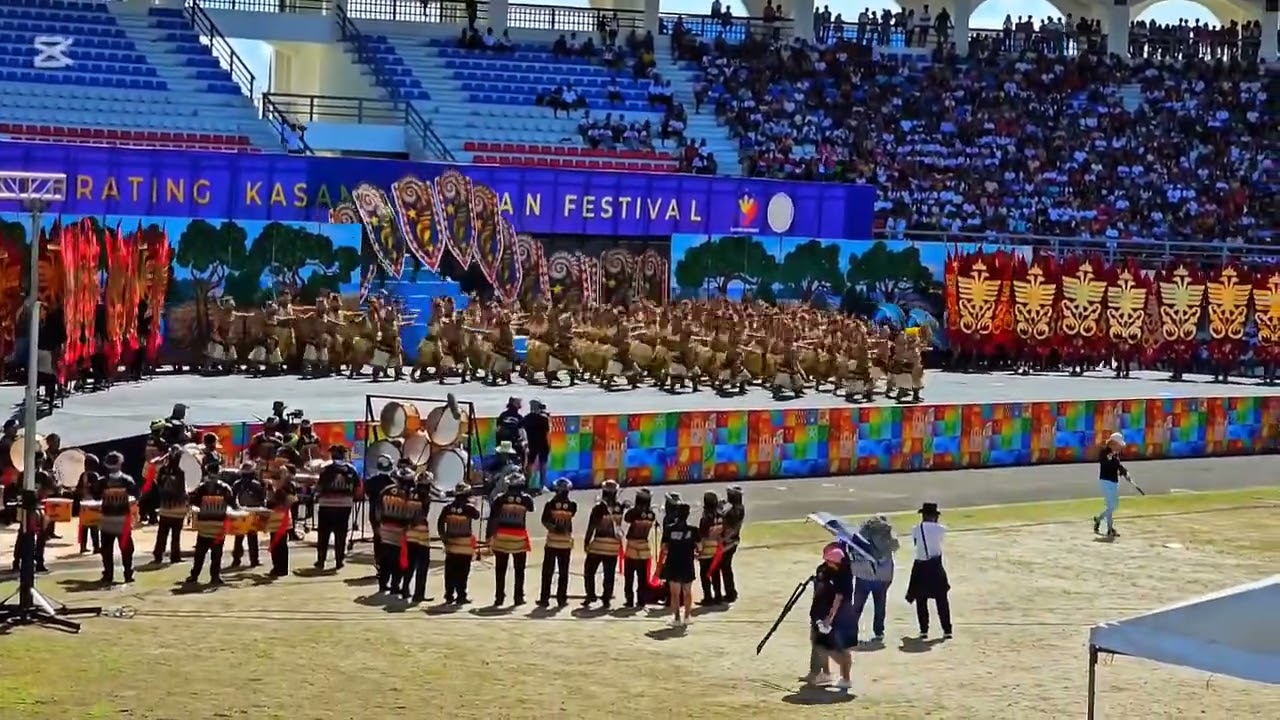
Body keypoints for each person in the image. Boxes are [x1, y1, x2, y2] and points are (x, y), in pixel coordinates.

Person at [808, 545, 855, 690]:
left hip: (840, 616)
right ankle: (826, 674)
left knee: (836, 649)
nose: (826, 564)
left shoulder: (843, 576)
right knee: (822, 644)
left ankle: (845, 678)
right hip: (829, 615)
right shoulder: (831, 572)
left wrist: (829, 618)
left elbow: (838, 599)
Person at [905, 502, 952, 639]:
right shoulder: (940, 529)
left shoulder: (915, 529)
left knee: (921, 599)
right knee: (942, 599)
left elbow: (916, 543)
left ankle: (924, 629)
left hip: (920, 566)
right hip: (935, 566)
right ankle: (947, 629)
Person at [850, 515, 898, 644]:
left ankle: (851, 631)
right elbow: (895, 547)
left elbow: (853, 552)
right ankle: (878, 632)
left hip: (864, 574)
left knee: (857, 605)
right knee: (880, 605)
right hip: (882, 576)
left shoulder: (860, 536)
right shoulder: (889, 537)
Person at [490, 472, 535, 606]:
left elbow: (493, 518)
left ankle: (499, 597)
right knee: (519, 570)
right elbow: (531, 508)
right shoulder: (526, 499)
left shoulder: (499, 498)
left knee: (500, 570)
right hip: (518, 537)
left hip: (502, 536)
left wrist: (490, 536)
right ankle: (518, 597)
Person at [186, 468, 237, 585]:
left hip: (215, 527)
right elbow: (193, 502)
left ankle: (213, 576)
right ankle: (196, 575)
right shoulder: (202, 488)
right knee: (201, 554)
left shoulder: (223, 488)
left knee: (214, 554)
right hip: (207, 526)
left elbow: (232, 504)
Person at [314, 444, 360, 570]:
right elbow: (357, 487)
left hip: (326, 505)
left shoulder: (326, 468)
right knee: (341, 534)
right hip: (344, 506)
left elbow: (319, 486)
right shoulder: (351, 469)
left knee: (323, 534)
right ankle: (339, 561)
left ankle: (321, 561)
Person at [95, 452, 138, 585]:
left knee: (107, 549)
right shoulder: (127, 480)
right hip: (121, 520)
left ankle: (109, 574)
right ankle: (127, 573)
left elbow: (96, 497)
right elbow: (136, 496)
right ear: (120, 463)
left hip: (108, 519)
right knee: (126, 548)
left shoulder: (102, 482)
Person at [582, 479, 626, 608]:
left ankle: (590, 595)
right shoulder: (619, 507)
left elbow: (592, 526)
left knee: (589, 571)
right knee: (609, 574)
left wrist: (586, 541)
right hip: (613, 546)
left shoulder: (598, 508)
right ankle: (606, 599)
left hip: (599, 544)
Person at [537, 477, 577, 608]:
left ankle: (544, 598)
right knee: (563, 572)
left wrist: (553, 528)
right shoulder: (572, 506)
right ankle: (562, 599)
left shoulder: (550, 504)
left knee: (547, 571)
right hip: (565, 543)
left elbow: (544, 520)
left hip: (552, 542)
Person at [437, 482, 480, 604]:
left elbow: (440, 524)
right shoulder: (469, 507)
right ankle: (461, 595)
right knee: (463, 571)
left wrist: (444, 538)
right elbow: (477, 516)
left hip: (451, 544)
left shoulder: (447, 507)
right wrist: (474, 503)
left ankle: (449, 595)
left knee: (450, 571)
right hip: (465, 545)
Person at [375, 467, 416, 595]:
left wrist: (379, 525)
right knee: (398, 562)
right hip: (400, 532)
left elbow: (377, 509)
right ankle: (394, 586)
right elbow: (410, 514)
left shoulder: (386, 490)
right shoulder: (408, 495)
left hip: (384, 529)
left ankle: (383, 585)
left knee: (385, 559)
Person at [401, 469, 438, 603]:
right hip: (421, 534)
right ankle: (418, 594)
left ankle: (405, 589)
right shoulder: (425, 496)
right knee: (423, 565)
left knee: (410, 564)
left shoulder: (410, 494)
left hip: (409, 532)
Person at [659, 501, 698, 627]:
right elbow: (700, 547)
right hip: (687, 563)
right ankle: (687, 616)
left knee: (674, 593)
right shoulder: (693, 530)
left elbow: (664, 547)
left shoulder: (669, 529)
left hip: (673, 563)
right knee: (687, 591)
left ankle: (676, 618)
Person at [152, 446, 189, 565]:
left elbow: (158, 483)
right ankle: (175, 556)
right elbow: (187, 487)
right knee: (175, 534)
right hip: (179, 507)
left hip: (165, 507)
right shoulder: (183, 471)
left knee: (162, 532)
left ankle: (158, 555)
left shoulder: (163, 469)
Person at [622, 488, 657, 608]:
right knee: (642, 577)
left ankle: (629, 599)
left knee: (629, 575)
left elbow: (626, 518)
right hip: (645, 547)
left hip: (632, 546)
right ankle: (641, 600)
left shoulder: (634, 512)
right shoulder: (652, 514)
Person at [363, 454, 397, 572]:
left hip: (375, 515)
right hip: (389, 516)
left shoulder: (370, 482)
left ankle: (379, 563)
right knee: (389, 540)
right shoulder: (393, 483)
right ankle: (388, 564)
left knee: (377, 539)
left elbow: (367, 493)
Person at [1094, 432, 1130, 538]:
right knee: (1110, 506)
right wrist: (1119, 469)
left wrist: (1125, 472)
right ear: (1113, 443)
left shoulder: (1115, 454)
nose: (1120, 447)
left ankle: (1098, 519)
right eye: (1118, 444)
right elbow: (1109, 464)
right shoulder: (1105, 453)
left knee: (1114, 506)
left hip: (1114, 481)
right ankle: (1110, 529)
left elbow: (1118, 465)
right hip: (1106, 481)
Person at [231, 462, 266, 569]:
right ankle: (254, 560)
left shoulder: (237, 484)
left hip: (240, 512)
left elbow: (232, 499)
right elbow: (262, 499)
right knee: (252, 538)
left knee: (239, 537)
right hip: (252, 512)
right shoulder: (256, 484)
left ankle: (236, 560)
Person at [264, 470, 298, 577]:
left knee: (281, 544)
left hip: (282, 520)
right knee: (275, 544)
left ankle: (282, 568)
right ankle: (277, 567)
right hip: (274, 520)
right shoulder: (271, 489)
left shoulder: (286, 489)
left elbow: (291, 501)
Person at [697, 490, 724, 605]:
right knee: (716, 573)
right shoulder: (720, 516)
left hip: (706, 549)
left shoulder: (705, 518)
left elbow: (702, 536)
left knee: (705, 575)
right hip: (716, 548)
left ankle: (708, 597)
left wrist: (699, 550)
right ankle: (718, 596)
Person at [718, 485, 745, 603]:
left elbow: (731, 528)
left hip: (729, 541)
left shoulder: (733, 511)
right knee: (726, 567)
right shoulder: (739, 508)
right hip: (733, 540)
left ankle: (730, 593)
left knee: (725, 567)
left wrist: (724, 539)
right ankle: (730, 591)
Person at [74, 453, 102, 554]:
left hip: (83, 504)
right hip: (92, 503)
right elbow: (97, 489)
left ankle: (83, 546)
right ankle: (96, 547)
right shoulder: (94, 475)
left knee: (84, 526)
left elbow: (77, 489)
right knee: (94, 525)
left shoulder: (83, 475)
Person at [522, 400, 551, 491]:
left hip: (531, 443)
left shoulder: (526, 418)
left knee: (530, 464)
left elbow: (522, 429)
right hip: (543, 443)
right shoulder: (544, 418)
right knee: (543, 464)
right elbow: (547, 432)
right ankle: (541, 485)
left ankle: (526, 484)